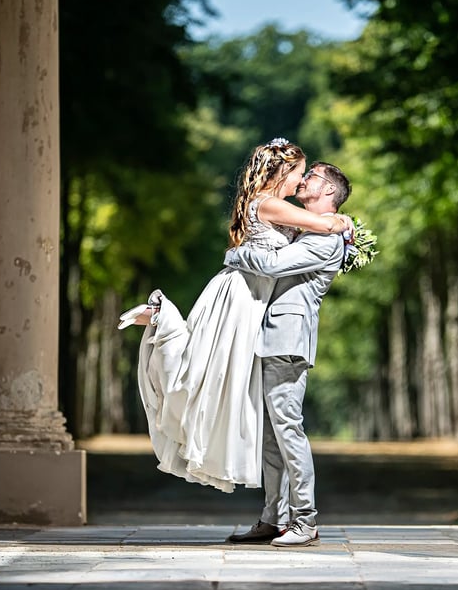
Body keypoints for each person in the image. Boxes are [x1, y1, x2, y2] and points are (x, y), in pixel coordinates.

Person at [125, 138, 354, 495]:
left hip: (252, 297)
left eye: (307, 175)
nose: (301, 181)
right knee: (207, 371)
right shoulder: (270, 203)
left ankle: (162, 321)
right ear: (282, 171)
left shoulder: (271, 203)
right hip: (242, 294)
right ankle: (163, 321)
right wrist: (344, 222)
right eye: (298, 172)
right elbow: (323, 229)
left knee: (214, 373)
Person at [224, 160, 352, 547]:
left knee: (288, 429)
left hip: (288, 339)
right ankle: (273, 516)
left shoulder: (326, 238)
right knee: (271, 434)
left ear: (329, 191)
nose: (304, 179)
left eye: (312, 176)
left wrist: (233, 255)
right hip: (270, 335)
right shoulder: (308, 231)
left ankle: (305, 520)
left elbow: (275, 265)